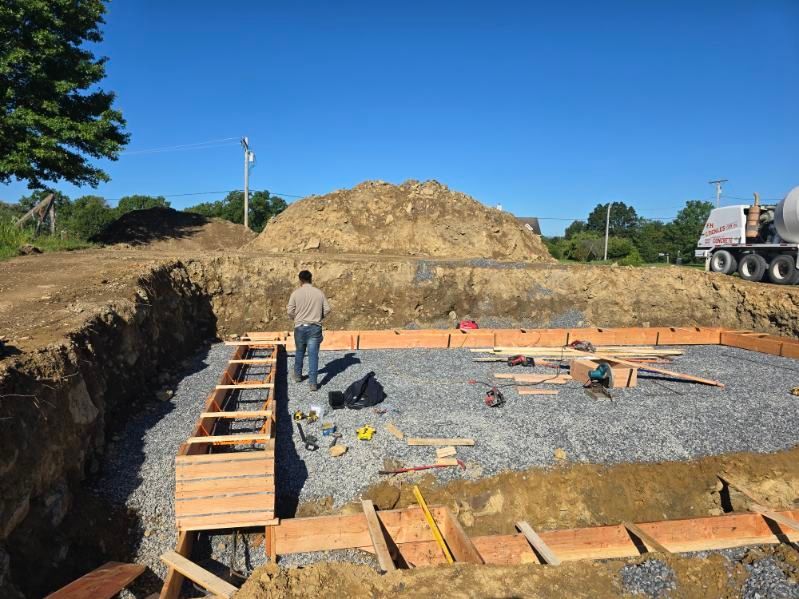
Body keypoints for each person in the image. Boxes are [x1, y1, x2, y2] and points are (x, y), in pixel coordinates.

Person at [287, 270, 331, 391]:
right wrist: (319, 317)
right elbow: (327, 309)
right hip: (315, 328)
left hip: (300, 327)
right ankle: (313, 384)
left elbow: (290, 311)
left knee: (300, 352)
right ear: (311, 279)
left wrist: (296, 319)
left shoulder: (295, 293)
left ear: (300, 280)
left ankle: (297, 376)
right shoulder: (319, 293)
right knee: (313, 356)